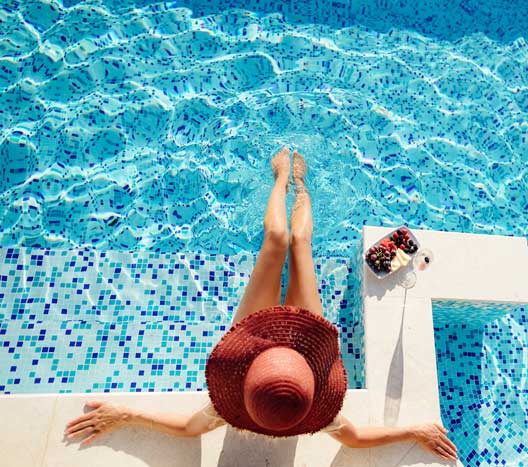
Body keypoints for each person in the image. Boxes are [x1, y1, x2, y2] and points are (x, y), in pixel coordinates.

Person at [64, 148, 459, 462]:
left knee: (275, 240)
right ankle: (299, 186)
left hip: (257, 341)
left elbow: (188, 427)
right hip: (305, 348)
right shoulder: (305, 407)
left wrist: (125, 414)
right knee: (298, 245)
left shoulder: (250, 403)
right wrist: (413, 430)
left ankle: (281, 179)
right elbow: (354, 438)